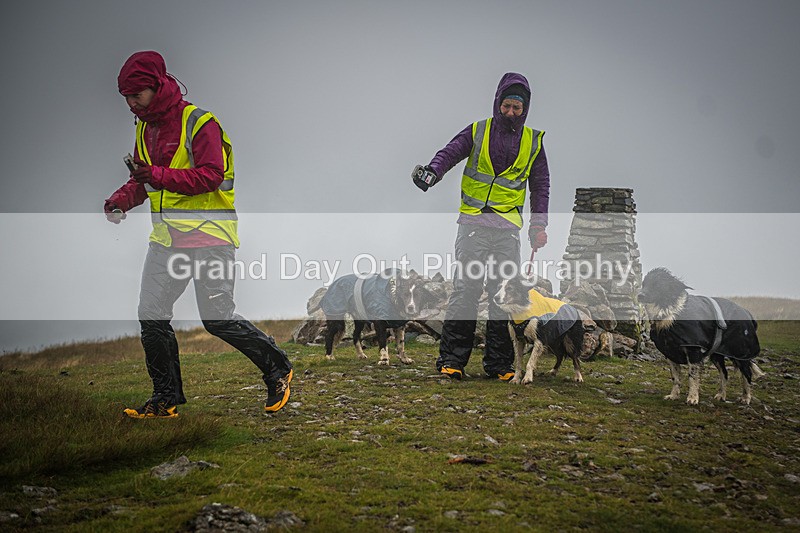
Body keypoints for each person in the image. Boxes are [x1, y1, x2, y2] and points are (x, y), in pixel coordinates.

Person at [105, 51, 293, 418]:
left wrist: (154, 176)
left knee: (217, 318)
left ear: (157, 85)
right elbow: (143, 180)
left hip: (211, 236)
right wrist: (120, 202)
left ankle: (278, 368)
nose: (131, 104)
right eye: (125, 97)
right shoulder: (144, 127)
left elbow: (210, 175)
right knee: (151, 316)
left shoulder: (200, 122)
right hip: (165, 242)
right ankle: (165, 399)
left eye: (136, 95)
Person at [414, 72, 550, 381]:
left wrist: (538, 225)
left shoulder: (533, 142)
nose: (511, 113)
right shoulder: (478, 131)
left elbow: (540, 187)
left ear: (525, 109)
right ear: (497, 103)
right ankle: (452, 361)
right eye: (506, 106)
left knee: (505, 294)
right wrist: (432, 173)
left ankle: (499, 365)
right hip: (474, 225)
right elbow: (449, 153)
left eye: (517, 108)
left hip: (507, 231)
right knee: (466, 290)